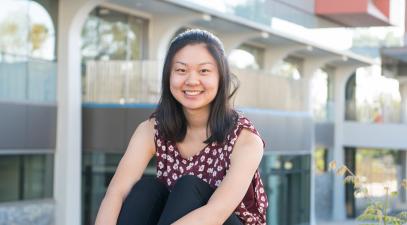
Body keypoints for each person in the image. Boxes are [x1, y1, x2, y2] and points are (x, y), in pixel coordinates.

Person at [94, 29, 268, 225]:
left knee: (189, 186)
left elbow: (216, 213)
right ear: (169, 76)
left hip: (218, 220)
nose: (192, 80)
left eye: (204, 71)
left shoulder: (245, 139)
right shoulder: (152, 130)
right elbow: (116, 193)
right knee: (147, 189)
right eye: (181, 70)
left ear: (221, 77)